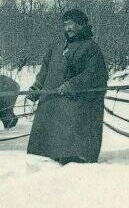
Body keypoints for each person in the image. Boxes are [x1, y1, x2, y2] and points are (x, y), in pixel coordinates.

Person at [26, 9, 108, 165]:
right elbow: (45, 69)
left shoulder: (90, 47)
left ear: (82, 25)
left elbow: (94, 73)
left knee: (73, 130)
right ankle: (45, 157)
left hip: (79, 100)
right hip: (52, 99)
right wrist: (37, 87)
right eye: (65, 25)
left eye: (72, 24)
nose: (68, 28)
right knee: (43, 150)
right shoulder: (56, 47)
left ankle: (74, 157)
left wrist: (72, 85)